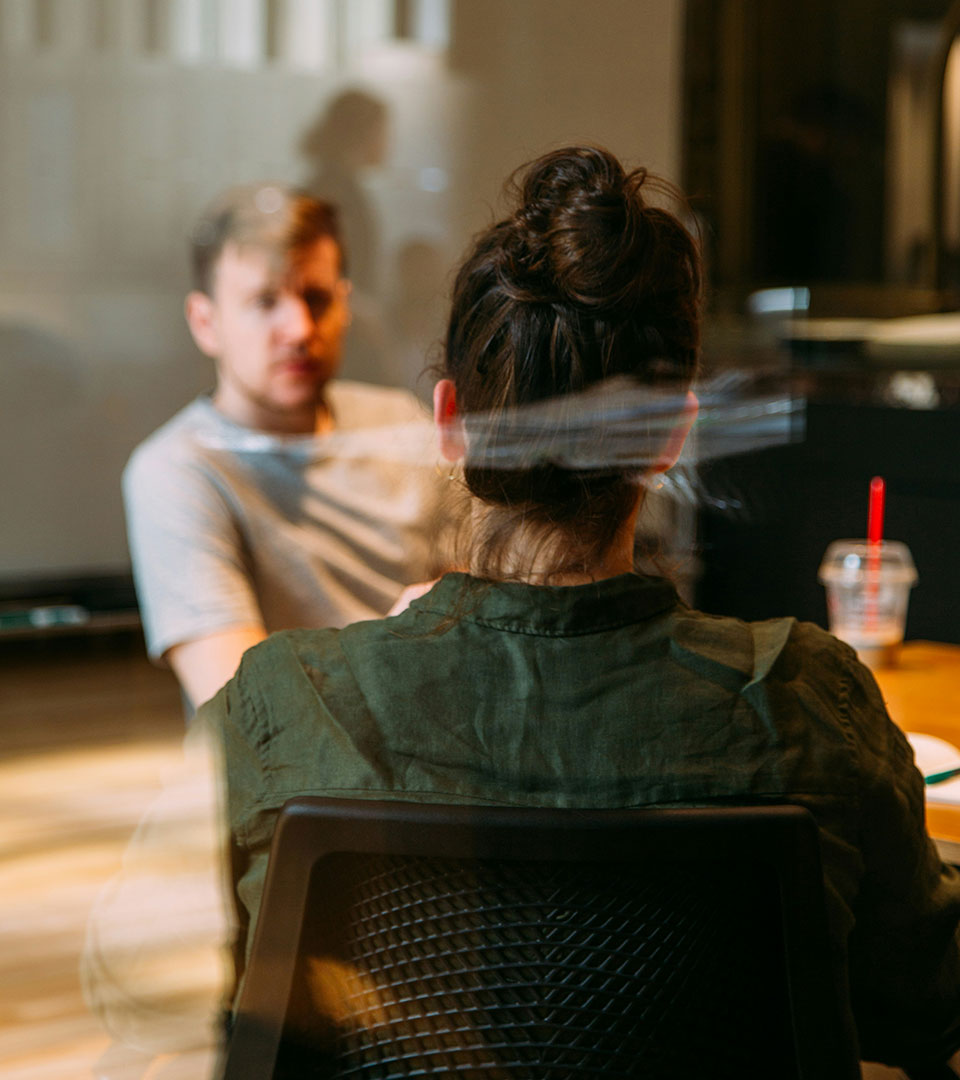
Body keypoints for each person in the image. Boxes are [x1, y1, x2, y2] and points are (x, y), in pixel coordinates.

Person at [201, 146, 960, 1070]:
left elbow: (257, 1024)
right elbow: (924, 1009)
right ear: (673, 433)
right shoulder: (807, 701)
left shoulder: (283, 707)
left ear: (449, 418)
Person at [123, 184, 452, 709]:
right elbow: (244, 708)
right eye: (264, 301)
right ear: (205, 323)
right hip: (296, 785)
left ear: (345, 306)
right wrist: (398, 643)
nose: (299, 329)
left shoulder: (401, 422)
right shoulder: (177, 470)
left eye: (316, 298)